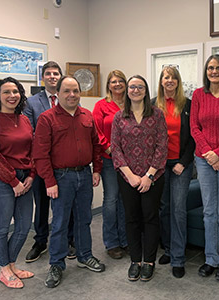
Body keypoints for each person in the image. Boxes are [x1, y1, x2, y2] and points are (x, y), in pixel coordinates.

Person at [32, 76, 105, 288]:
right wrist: (49, 181)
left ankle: (84, 256)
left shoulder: (87, 116)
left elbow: (96, 145)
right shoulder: (47, 119)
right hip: (60, 178)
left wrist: (96, 170)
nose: (71, 95)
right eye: (67, 91)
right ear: (59, 93)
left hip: (84, 174)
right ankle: (56, 264)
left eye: (75, 91)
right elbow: (40, 153)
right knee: (60, 223)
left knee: (84, 219)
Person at [111, 75, 167, 282]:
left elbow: (162, 146)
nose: (135, 90)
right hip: (128, 178)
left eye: (140, 87)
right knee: (132, 218)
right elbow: (115, 148)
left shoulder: (157, 115)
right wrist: (131, 176)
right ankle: (135, 260)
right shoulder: (119, 117)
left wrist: (148, 176)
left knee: (150, 218)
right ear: (127, 90)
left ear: (146, 90)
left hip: (153, 177)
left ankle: (149, 261)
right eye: (132, 87)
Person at [0, 77, 35, 289]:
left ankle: (12, 264)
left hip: (25, 179)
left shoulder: (24, 120)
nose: (12, 96)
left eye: (16, 91)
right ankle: (4, 269)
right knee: (1, 228)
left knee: (22, 227)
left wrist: (31, 175)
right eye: (6, 92)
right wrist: (13, 181)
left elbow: (32, 151)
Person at [23, 61, 76, 263]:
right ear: (43, 77)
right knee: (42, 204)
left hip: (65, 165)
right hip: (41, 163)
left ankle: (70, 239)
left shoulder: (71, 98)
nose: (52, 76)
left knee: (66, 205)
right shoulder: (31, 103)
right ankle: (40, 241)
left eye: (55, 73)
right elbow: (30, 132)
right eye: (48, 73)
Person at [190, 54, 219, 282]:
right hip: (204, 161)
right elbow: (194, 127)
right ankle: (211, 259)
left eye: (218, 68)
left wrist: (218, 153)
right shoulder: (199, 94)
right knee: (209, 212)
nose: (214, 71)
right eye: (210, 68)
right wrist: (209, 155)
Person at [152, 66, 195, 278]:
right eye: (165, 77)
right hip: (159, 165)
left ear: (178, 82)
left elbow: (194, 135)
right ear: (161, 81)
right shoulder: (153, 104)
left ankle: (178, 258)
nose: (169, 81)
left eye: (173, 78)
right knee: (164, 209)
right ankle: (168, 249)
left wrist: (184, 162)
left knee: (178, 210)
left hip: (180, 165)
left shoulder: (187, 105)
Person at [93, 70, 128, 259]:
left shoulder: (131, 104)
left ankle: (125, 239)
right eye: (113, 81)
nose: (117, 84)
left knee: (125, 200)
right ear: (109, 85)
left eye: (120, 81)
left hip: (130, 163)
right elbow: (96, 131)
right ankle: (112, 242)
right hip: (110, 160)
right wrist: (109, 149)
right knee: (111, 200)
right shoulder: (101, 105)